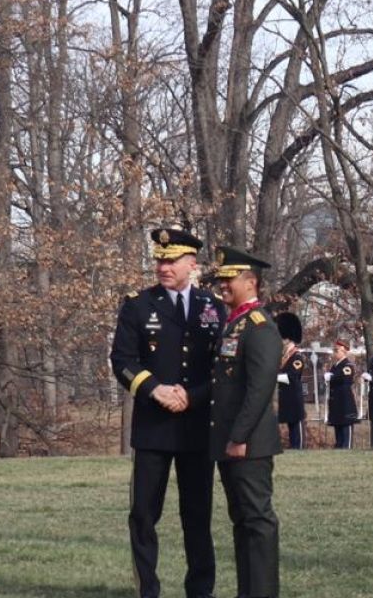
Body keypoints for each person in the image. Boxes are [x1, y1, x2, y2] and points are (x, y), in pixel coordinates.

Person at [110, 227, 224, 598]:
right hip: (154, 426)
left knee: (197, 517)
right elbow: (123, 360)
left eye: (171, 259)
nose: (163, 266)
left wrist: (192, 396)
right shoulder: (138, 305)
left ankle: (200, 590)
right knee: (144, 514)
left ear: (192, 263)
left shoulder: (213, 307)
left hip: (195, 427)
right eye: (159, 259)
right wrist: (154, 389)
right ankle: (148, 590)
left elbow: (223, 368)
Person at [209, 246, 281, 598]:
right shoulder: (234, 323)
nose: (222, 284)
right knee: (242, 522)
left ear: (250, 282)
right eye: (220, 278)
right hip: (230, 442)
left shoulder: (259, 326)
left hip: (248, 443)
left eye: (228, 278)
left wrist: (239, 436)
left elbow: (260, 388)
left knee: (257, 521)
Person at [274, 313, 306, 450]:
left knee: (296, 425)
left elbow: (291, 376)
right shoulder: (284, 355)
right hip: (285, 396)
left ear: (288, 339)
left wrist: (273, 377)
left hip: (294, 396)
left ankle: (298, 448)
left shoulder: (297, 356)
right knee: (288, 424)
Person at [325, 339, 358, 449]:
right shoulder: (335, 366)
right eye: (335, 350)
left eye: (337, 350)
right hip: (336, 400)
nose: (335, 353)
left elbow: (344, 377)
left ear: (344, 351)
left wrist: (332, 377)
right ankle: (339, 447)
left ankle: (346, 447)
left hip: (345, 401)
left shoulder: (347, 365)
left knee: (345, 425)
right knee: (338, 425)